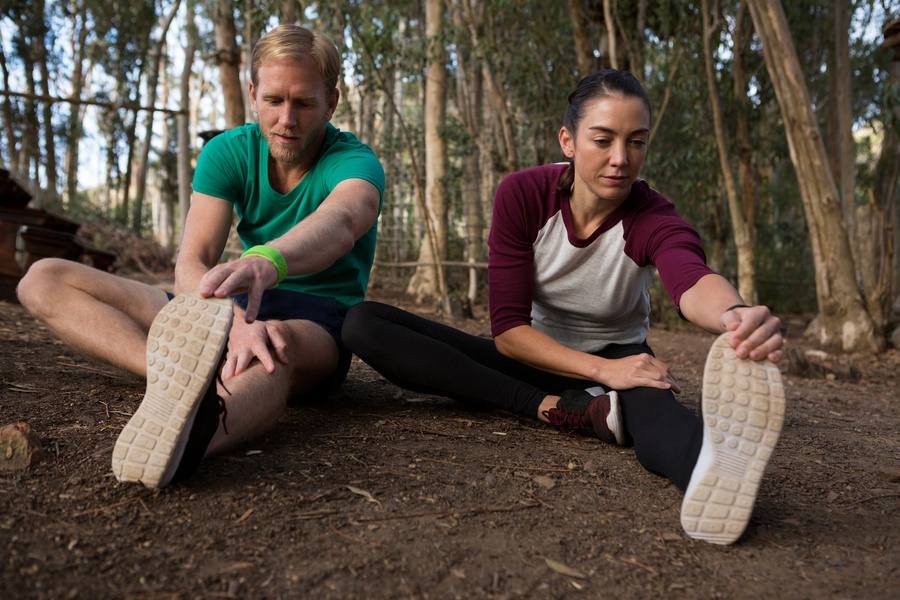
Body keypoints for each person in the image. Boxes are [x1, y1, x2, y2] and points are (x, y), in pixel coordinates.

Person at [342, 69, 785, 546]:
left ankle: (718, 478)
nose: (621, 159)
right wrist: (598, 373)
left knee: (655, 418)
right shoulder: (524, 195)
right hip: (531, 355)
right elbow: (509, 332)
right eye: (603, 139)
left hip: (620, 358)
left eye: (636, 142)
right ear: (568, 141)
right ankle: (558, 408)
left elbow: (691, 278)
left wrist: (733, 316)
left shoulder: (651, 215)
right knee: (364, 323)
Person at [16, 25, 384, 489]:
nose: (286, 119)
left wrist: (267, 261)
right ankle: (173, 376)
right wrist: (230, 323)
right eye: (274, 100)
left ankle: (195, 435)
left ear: (331, 102)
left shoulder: (354, 161)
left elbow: (346, 219)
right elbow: (192, 262)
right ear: (253, 94)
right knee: (43, 278)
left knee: (273, 350)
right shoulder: (227, 152)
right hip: (227, 304)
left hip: (317, 320)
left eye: (304, 103)